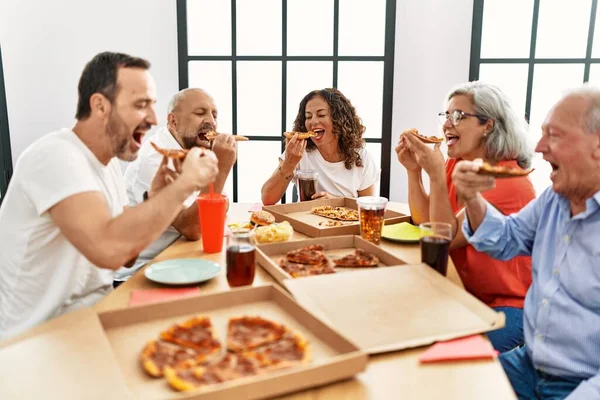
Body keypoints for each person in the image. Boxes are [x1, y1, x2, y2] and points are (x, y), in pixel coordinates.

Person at [0, 52, 219, 339]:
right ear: (100, 106)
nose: (153, 119)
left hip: (92, 320)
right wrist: (183, 186)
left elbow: (127, 256)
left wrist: (156, 198)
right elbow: (109, 249)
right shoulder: (57, 156)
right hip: (36, 342)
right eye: (141, 105)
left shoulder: (109, 164)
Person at [453, 85, 600, 399]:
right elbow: (505, 239)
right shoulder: (554, 199)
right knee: (442, 385)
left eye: (555, 135)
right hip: (529, 363)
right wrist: (472, 198)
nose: (539, 145)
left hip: (581, 384)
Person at [395, 81, 535, 352]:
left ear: (488, 125)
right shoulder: (458, 164)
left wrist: (434, 173)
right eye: (446, 115)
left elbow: (443, 236)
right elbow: (426, 223)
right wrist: (414, 171)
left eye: (458, 116)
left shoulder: (507, 181)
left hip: (505, 309)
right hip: (463, 293)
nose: (447, 124)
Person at [115, 88, 236, 283]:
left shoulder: (194, 149)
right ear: (173, 121)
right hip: (143, 275)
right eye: (200, 113)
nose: (212, 122)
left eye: (214, 115)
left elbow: (222, 204)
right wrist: (221, 168)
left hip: (182, 259)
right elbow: (194, 228)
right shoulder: (155, 160)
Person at [261, 88, 379, 204]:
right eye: (308, 117)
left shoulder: (361, 157)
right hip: (305, 219)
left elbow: (368, 206)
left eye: (321, 115)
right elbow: (267, 198)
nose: (313, 122)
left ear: (339, 120)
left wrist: (335, 202)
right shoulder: (299, 152)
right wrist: (289, 163)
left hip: (346, 222)